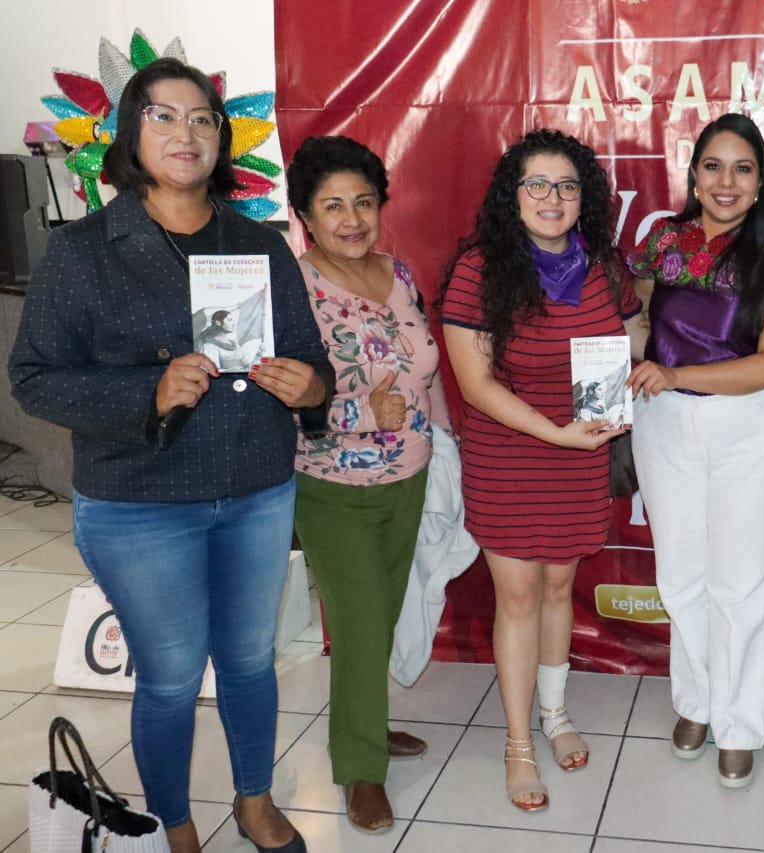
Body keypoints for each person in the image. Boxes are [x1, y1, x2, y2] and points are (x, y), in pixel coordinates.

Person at [8, 58, 332, 853]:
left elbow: (308, 356)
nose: (186, 134)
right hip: (140, 501)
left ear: (222, 139)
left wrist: (308, 386)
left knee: (252, 660)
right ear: (129, 131)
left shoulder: (258, 243)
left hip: (255, 486)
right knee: (173, 674)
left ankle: (254, 800)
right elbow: (33, 378)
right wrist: (146, 393)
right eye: (164, 116)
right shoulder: (85, 249)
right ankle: (173, 820)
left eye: (202, 119)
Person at [439, 129, 643, 811]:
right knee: (520, 596)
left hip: (582, 452)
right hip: (512, 452)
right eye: (536, 185)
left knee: (561, 588)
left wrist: (630, 368)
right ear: (513, 195)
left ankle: (556, 713)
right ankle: (518, 741)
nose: (552, 198)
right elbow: (475, 385)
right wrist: (555, 431)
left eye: (566, 186)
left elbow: (632, 329)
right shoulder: (480, 268)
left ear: (584, 198)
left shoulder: (605, 267)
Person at [626, 113, 764, 789]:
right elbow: (640, 317)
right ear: (694, 173)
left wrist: (675, 373)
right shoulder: (663, 241)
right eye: (713, 166)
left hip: (749, 427)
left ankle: (740, 724)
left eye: (741, 168)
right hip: (664, 424)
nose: (725, 182)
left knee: (742, 582)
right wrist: (617, 361)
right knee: (680, 576)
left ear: (761, 179)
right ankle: (695, 704)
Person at [285, 135, 451, 832]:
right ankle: (359, 768)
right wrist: (357, 412)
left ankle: (368, 724)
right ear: (305, 216)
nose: (352, 218)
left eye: (363, 201)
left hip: (408, 475)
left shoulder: (399, 272)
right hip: (332, 486)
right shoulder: (291, 285)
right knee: (355, 624)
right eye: (333, 206)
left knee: (379, 614)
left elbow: (424, 369)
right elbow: (274, 392)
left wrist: (445, 442)